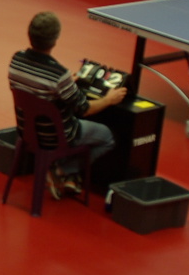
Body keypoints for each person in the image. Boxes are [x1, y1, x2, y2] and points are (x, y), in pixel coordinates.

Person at [8, 11, 127, 202]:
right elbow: (85, 109)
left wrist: (67, 84)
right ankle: (63, 170)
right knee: (108, 137)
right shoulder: (59, 75)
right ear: (55, 39)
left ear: (30, 34)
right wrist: (109, 100)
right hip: (56, 137)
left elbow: (38, 85)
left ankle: (70, 178)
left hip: (25, 131)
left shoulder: (16, 60)